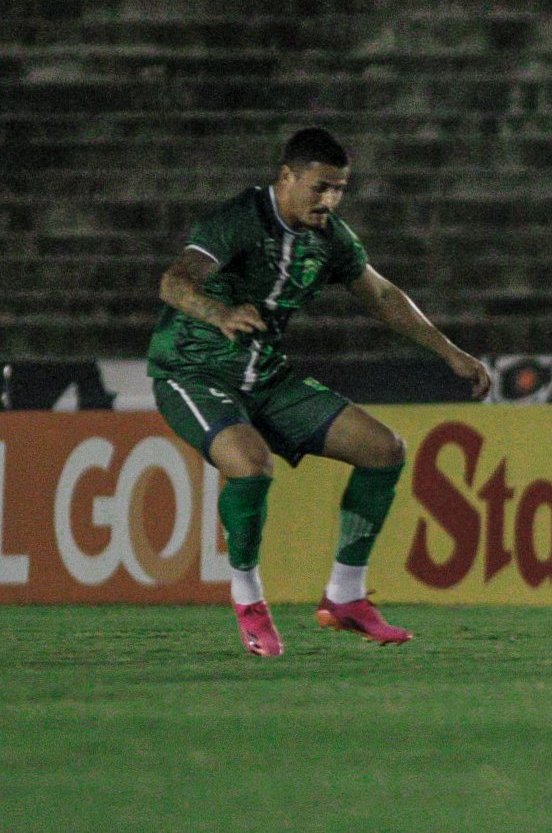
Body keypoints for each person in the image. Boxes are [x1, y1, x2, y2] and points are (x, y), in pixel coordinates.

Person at [147, 127, 491, 656]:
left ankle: (346, 597)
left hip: (266, 376)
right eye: (319, 187)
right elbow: (175, 282)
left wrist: (449, 351)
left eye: (339, 189)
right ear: (286, 177)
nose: (329, 199)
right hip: (192, 371)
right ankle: (249, 599)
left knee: (384, 450)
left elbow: (381, 295)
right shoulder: (239, 220)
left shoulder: (329, 238)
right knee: (251, 464)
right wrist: (220, 314)